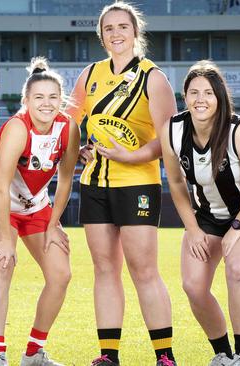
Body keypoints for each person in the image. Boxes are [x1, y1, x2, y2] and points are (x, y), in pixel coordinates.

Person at [67, 3, 178, 365]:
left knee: (144, 270)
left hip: (137, 183)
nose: (116, 33)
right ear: (101, 36)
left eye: (122, 27)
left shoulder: (153, 78)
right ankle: (108, 355)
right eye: (109, 28)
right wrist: (80, 149)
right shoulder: (89, 75)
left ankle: (165, 355)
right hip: (94, 183)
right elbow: (71, 124)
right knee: (104, 269)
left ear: (135, 32)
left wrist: (130, 157)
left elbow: (168, 139)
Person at [160, 60, 240, 366]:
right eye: (194, 92)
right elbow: (175, 182)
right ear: (185, 96)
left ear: (220, 97)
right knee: (193, 286)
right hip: (207, 216)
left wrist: (238, 227)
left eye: (208, 93)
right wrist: (193, 229)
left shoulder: (239, 130)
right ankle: (223, 354)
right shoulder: (173, 129)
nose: (200, 99)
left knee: (236, 268)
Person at [0, 57, 80, 366]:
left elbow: (65, 179)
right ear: (26, 100)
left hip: (36, 205)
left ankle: (34, 352)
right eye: (39, 97)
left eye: (53, 97)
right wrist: (6, 239)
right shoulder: (17, 128)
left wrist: (54, 223)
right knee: (3, 265)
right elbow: (0, 186)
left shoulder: (68, 127)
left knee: (60, 274)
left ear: (61, 100)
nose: (46, 104)